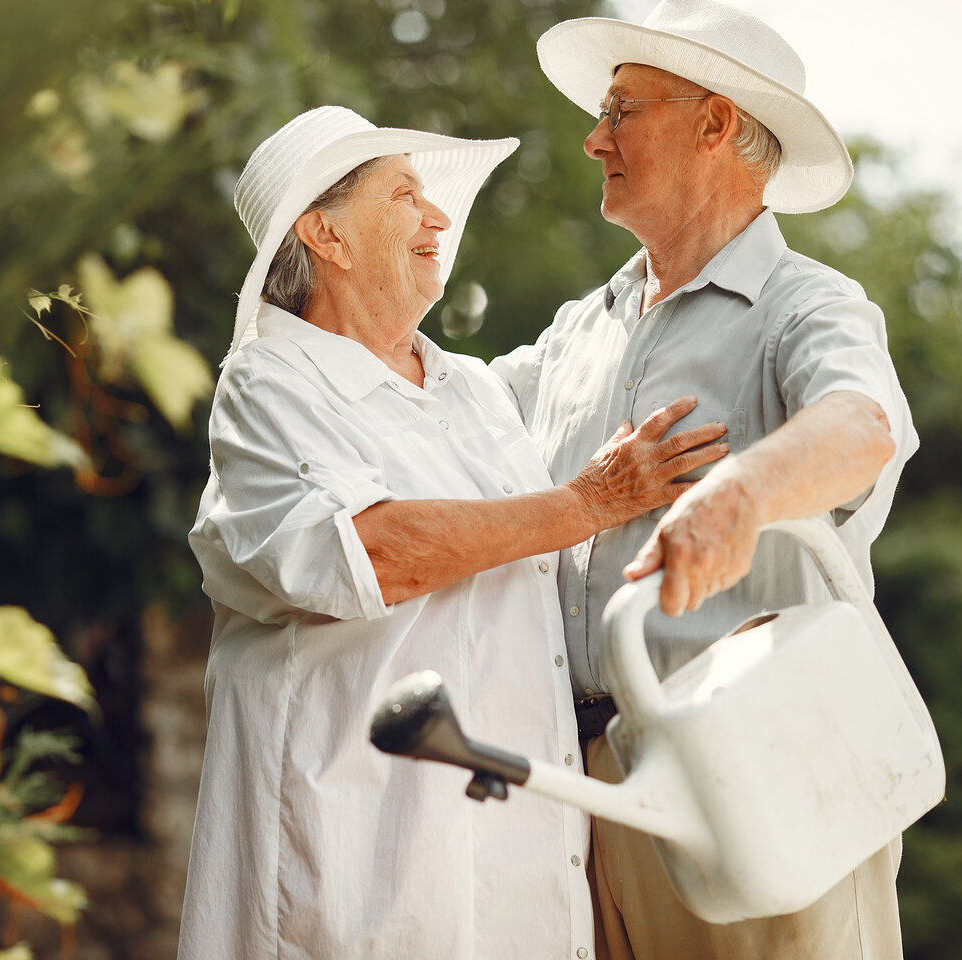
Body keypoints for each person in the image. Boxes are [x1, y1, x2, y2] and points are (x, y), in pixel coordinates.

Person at [178, 105, 729, 960]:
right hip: (359, 865)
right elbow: (371, 552)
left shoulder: (473, 390)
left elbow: (596, 356)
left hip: (519, 866)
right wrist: (587, 503)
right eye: (405, 195)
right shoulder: (269, 383)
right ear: (324, 232)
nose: (438, 216)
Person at [490, 2, 921, 958]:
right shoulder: (573, 334)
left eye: (620, 112)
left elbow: (863, 426)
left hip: (766, 779)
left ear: (715, 123)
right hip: (587, 796)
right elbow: (440, 421)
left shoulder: (807, 304)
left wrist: (742, 493)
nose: (594, 140)